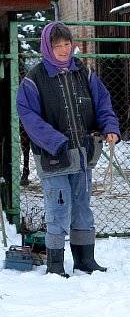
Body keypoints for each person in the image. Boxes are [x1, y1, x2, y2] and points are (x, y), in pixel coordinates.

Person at [16, 21, 121, 277]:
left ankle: (85, 260)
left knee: (82, 207)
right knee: (58, 207)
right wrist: (55, 142)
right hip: (53, 156)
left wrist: (110, 127)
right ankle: (54, 264)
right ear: (47, 47)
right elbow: (28, 116)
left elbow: (102, 102)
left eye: (67, 44)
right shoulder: (34, 79)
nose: (64, 50)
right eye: (57, 45)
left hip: (82, 154)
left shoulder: (84, 74)